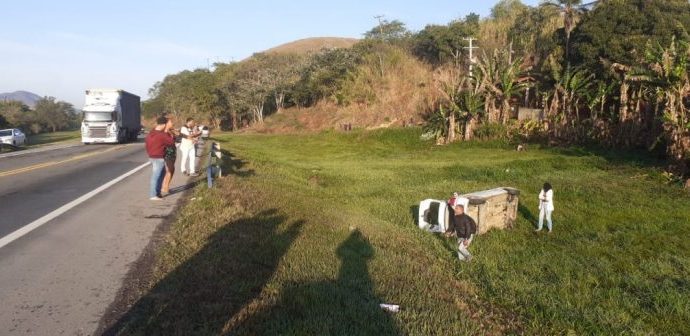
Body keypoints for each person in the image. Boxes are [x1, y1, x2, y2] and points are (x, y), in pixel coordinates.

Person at [145, 116, 174, 200]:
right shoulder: (162, 135)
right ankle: (153, 195)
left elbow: (147, 144)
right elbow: (171, 143)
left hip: (152, 156)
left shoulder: (151, 132)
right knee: (156, 176)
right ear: (164, 124)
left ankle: (157, 193)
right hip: (159, 157)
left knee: (161, 174)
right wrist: (169, 132)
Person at [161, 116, 179, 196]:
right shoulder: (163, 132)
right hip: (167, 153)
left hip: (173, 153)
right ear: (167, 123)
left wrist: (175, 132)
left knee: (172, 170)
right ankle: (165, 187)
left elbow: (178, 137)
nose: (173, 123)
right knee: (170, 169)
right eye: (171, 122)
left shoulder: (171, 131)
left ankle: (166, 186)